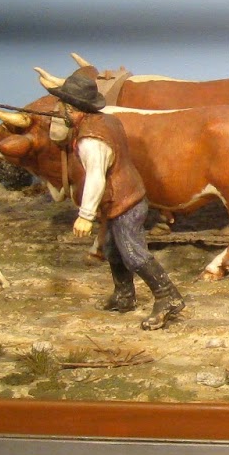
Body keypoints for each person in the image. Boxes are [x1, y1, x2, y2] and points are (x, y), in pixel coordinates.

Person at [46, 66, 184, 330]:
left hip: (124, 202)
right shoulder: (105, 120)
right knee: (112, 248)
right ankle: (124, 295)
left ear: (73, 110)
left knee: (132, 253)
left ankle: (169, 297)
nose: (58, 110)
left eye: (61, 106)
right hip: (122, 197)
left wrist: (85, 216)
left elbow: (97, 177)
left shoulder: (91, 139)